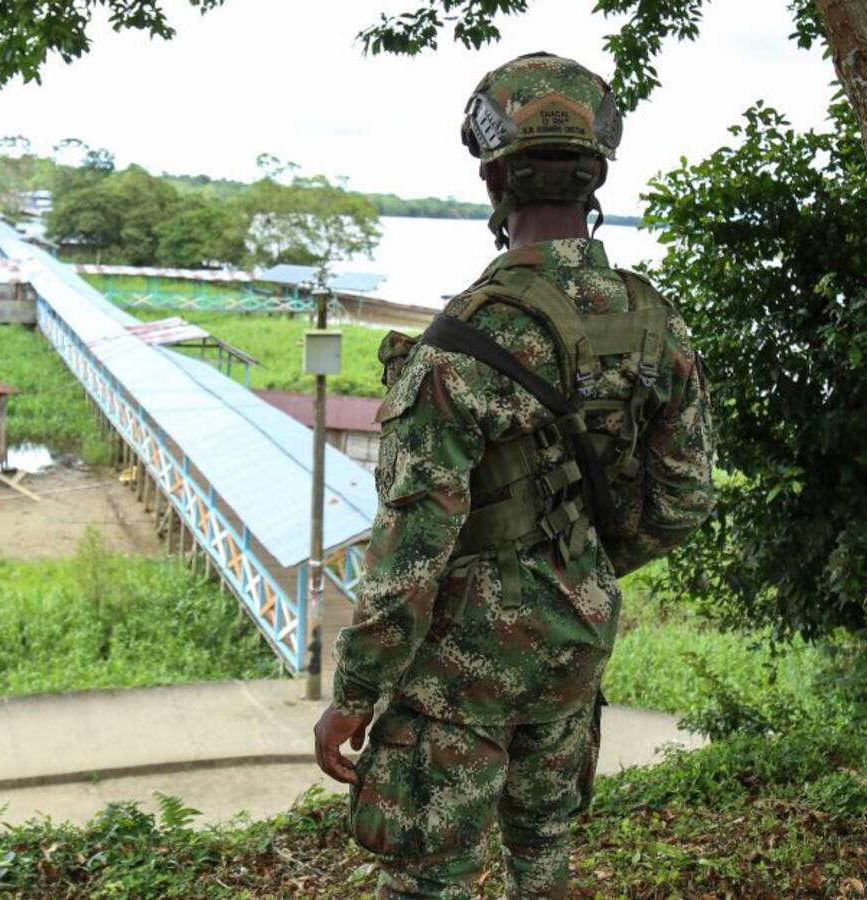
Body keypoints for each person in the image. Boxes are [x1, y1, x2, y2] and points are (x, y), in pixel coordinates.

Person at [314, 51, 715, 899]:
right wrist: (579, 563)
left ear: (494, 179)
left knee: (430, 877)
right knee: (543, 857)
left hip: (461, 666)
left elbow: (412, 548)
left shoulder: (462, 343)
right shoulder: (656, 322)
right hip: (576, 643)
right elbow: (682, 502)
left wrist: (354, 692)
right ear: (597, 176)